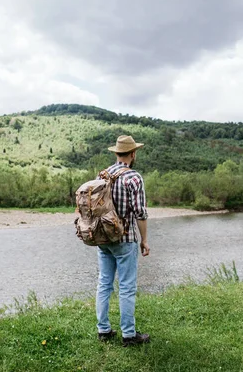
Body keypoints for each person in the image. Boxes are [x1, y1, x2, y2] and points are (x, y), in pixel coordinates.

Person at [96, 135, 151, 346]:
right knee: (127, 287)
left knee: (104, 283)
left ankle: (103, 330)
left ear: (117, 153)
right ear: (133, 153)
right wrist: (144, 240)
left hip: (102, 238)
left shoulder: (102, 174)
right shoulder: (133, 177)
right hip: (125, 238)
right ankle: (129, 335)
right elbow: (140, 213)